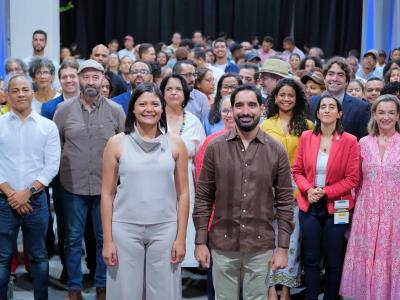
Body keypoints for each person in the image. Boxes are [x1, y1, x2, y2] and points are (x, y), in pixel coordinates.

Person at [193, 84, 294, 300]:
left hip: (261, 246)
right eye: (238, 106)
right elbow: (203, 197)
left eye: (251, 105)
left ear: (262, 108)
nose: (245, 111)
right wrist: (200, 241)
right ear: (231, 110)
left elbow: (285, 202)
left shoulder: (276, 150)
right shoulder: (215, 147)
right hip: (222, 245)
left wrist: (283, 247)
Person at [101, 83, 190, 299]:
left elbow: (184, 193)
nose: (148, 109)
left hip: (165, 229)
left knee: (164, 293)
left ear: (162, 108)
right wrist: (107, 240)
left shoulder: (176, 144)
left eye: (154, 104)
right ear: (132, 108)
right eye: (142, 104)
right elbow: (107, 193)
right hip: (125, 229)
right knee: (124, 292)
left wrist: (180, 238)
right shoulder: (116, 143)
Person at [53, 59, 125, 300]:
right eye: (86, 77)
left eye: (96, 77)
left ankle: (103, 286)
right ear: (79, 80)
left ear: (104, 80)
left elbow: (125, 148)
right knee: (73, 239)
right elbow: (57, 146)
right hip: (72, 186)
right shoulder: (63, 111)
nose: (91, 82)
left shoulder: (115, 110)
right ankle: (74, 287)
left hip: (107, 187)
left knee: (104, 237)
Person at [292, 94, 360, 300]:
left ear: (339, 113)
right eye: (324, 107)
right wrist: (308, 190)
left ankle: (331, 296)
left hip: (337, 205)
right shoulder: (306, 137)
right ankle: (312, 296)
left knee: (333, 258)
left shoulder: (350, 140)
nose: (328, 110)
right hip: (310, 203)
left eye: (332, 107)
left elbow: (352, 178)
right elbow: (297, 171)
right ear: (318, 113)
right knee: (311, 257)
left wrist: (326, 192)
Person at [0, 74, 60, 300]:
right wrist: (13, 195)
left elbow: (51, 165)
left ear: (32, 92)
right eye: (15, 90)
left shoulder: (48, 126)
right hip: (4, 202)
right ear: (7, 95)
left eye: (25, 89)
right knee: (3, 258)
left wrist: (28, 192)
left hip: (36, 202)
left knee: (39, 257)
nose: (21, 94)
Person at [340, 94, 400, 300]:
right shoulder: (363, 143)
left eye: (391, 112)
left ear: (398, 115)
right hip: (367, 214)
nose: (386, 117)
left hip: (395, 216)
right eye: (381, 112)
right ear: (374, 114)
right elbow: (354, 180)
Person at [260, 79, 313, 300]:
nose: (286, 99)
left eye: (291, 95)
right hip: (267, 188)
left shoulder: (308, 126)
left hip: (298, 189)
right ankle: (271, 290)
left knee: (292, 241)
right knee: (268, 240)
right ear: (275, 97)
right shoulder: (264, 124)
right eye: (282, 95)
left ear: (297, 98)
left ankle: (287, 290)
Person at [160, 74, 206, 268]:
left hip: (186, 180)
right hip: (157, 180)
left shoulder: (194, 121)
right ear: (162, 93)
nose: (173, 93)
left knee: (183, 224)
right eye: (169, 89)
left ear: (185, 93)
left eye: (178, 89)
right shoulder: (153, 116)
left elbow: (202, 155)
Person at [309, 56, 370, 140]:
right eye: (331, 74)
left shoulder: (361, 108)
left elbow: (364, 143)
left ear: (347, 82)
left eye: (340, 75)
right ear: (324, 78)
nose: (334, 78)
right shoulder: (311, 103)